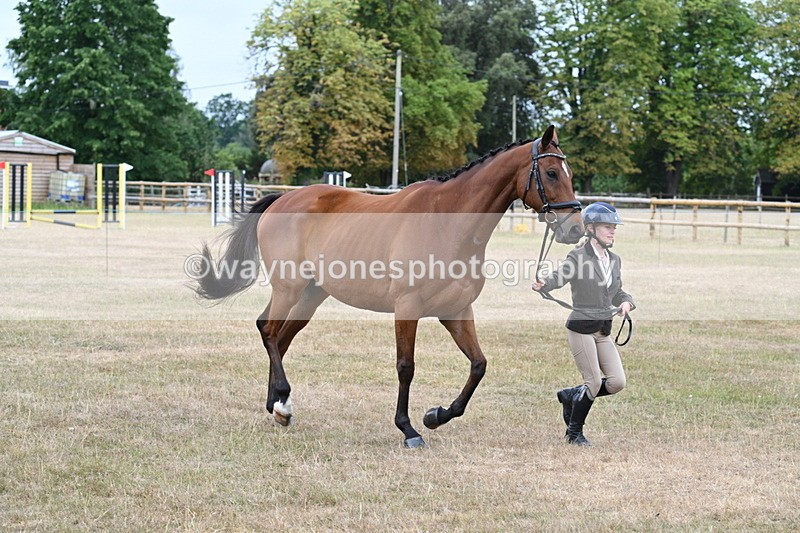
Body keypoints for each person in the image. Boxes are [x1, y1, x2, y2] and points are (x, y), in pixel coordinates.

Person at [531, 202, 635, 446]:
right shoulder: (578, 257)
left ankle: (571, 395)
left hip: (603, 330)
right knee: (594, 382)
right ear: (590, 229)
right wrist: (545, 283)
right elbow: (561, 275)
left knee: (617, 382)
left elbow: (617, 291)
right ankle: (574, 433)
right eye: (607, 227)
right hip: (580, 329)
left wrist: (627, 302)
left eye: (614, 228)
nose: (612, 232)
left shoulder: (614, 260)